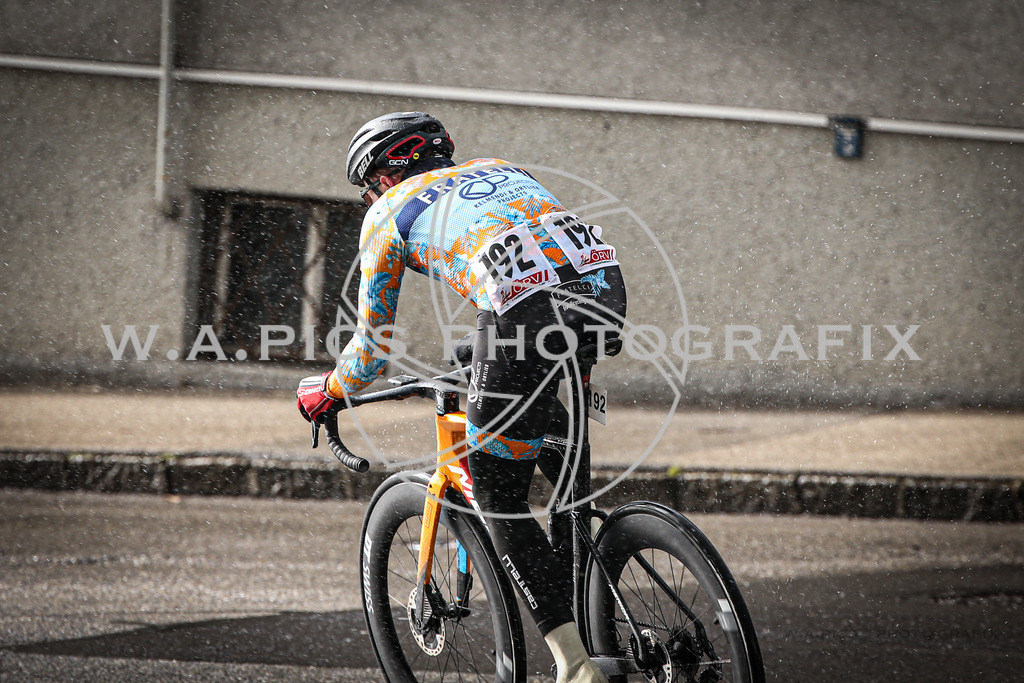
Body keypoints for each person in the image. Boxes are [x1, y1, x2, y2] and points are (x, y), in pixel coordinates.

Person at [296, 111, 626, 683]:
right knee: (537, 421)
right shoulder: (500, 168)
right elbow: (541, 260)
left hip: (524, 318)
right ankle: (592, 596)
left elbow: (371, 348)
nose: (370, 195)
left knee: (496, 487)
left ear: (383, 175)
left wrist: (330, 390)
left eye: (368, 184)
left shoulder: (387, 212)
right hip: (602, 298)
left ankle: (576, 666)